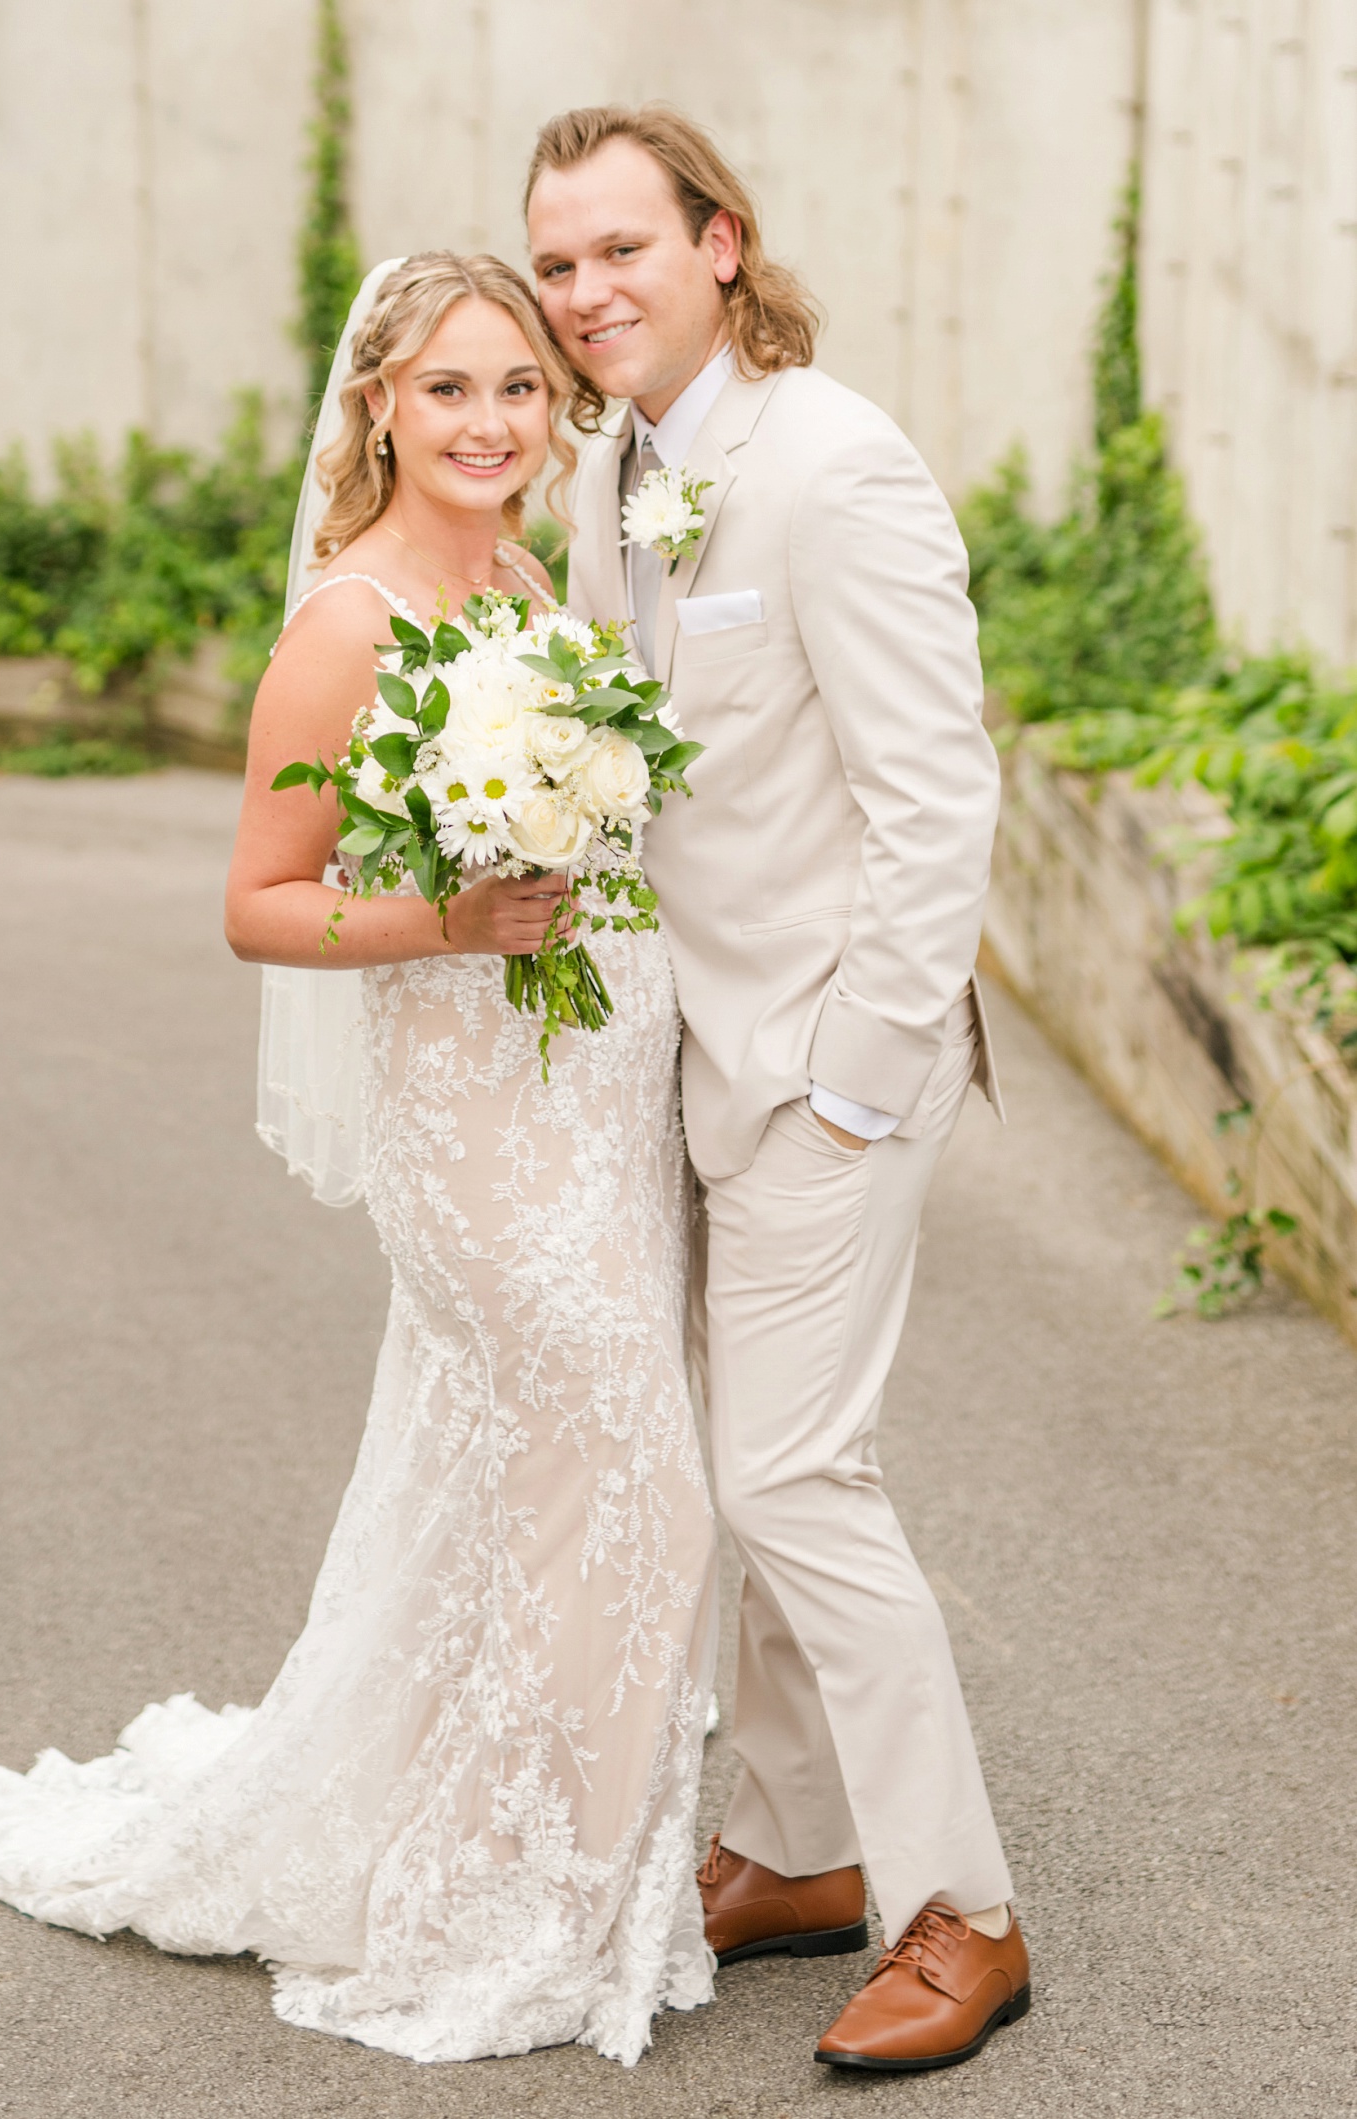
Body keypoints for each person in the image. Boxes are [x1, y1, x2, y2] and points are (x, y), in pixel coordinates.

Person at [0, 251, 719, 2069]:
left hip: (590, 1097)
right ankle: (517, 1891)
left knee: (535, 1487)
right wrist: (451, 919)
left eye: (516, 386)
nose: (488, 423)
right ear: (378, 407)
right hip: (473, 1130)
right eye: (447, 389)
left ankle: (524, 1850)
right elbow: (259, 903)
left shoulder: (526, 573)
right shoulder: (346, 621)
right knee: (622, 1466)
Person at [526, 107, 1031, 2076]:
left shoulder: (834, 464)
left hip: (827, 1064)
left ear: (719, 244)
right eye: (556, 263)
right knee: (739, 1448)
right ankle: (797, 1843)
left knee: (792, 1475)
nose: (585, 293)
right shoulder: (617, 470)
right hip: (682, 1055)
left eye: (620, 250)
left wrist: (850, 1085)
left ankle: (958, 1908)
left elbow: (937, 798)